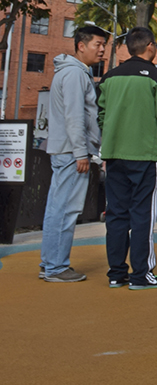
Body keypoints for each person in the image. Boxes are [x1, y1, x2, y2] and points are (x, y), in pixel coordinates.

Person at [98, 27, 157, 290]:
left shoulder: (109, 77)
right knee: (143, 214)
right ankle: (141, 274)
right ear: (149, 47)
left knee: (117, 213)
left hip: (114, 153)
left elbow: (101, 116)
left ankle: (116, 272)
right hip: (146, 154)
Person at [39, 24, 109, 283]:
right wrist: (82, 152)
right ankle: (56, 267)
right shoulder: (75, 74)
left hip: (66, 149)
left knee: (58, 208)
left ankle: (50, 264)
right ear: (81, 45)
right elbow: (74, 116)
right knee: (65, 209)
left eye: (104, 45)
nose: (102, 50)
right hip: (71, 152)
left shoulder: (73, 72)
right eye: (97, 45)